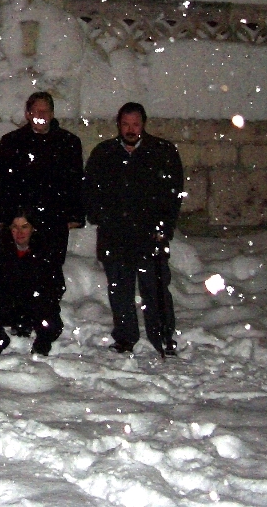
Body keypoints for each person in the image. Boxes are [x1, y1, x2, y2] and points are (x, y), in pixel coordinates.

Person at [83, 102, 184, 357]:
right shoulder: (104, 153)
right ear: (118, 124)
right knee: (120, 291)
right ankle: (125, 337)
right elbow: (90, 191)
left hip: (150, 236)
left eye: (135, 124)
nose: (130, 129)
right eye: (126, 124)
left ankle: (162, 336)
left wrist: (163, 227)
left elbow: (172, 194)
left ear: (144, 124)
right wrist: (102, 218)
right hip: (115, 236)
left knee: (155, 290)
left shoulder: (162, 152)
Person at [0, 90, 84, 269]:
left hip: (54, 219)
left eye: (45, 111)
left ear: (52, 114)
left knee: (50, 271)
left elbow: (75, 182)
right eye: (36, 111)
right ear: (28, 114)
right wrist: (2, 217)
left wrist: (75, 215)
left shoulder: (68, 143)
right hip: (21, 220)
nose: (41, 115)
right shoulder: (12, 142)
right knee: (18, 270)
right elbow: (3, 182)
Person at [0, 209, 64, 356]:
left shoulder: (45, 249)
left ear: (33, 228)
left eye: (24, 227)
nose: (19, 232)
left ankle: (41, 347)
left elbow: (56, 285)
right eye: (15, 227)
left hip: (35, 303)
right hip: (5, 303)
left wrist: (39, 299)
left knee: (52, 321)